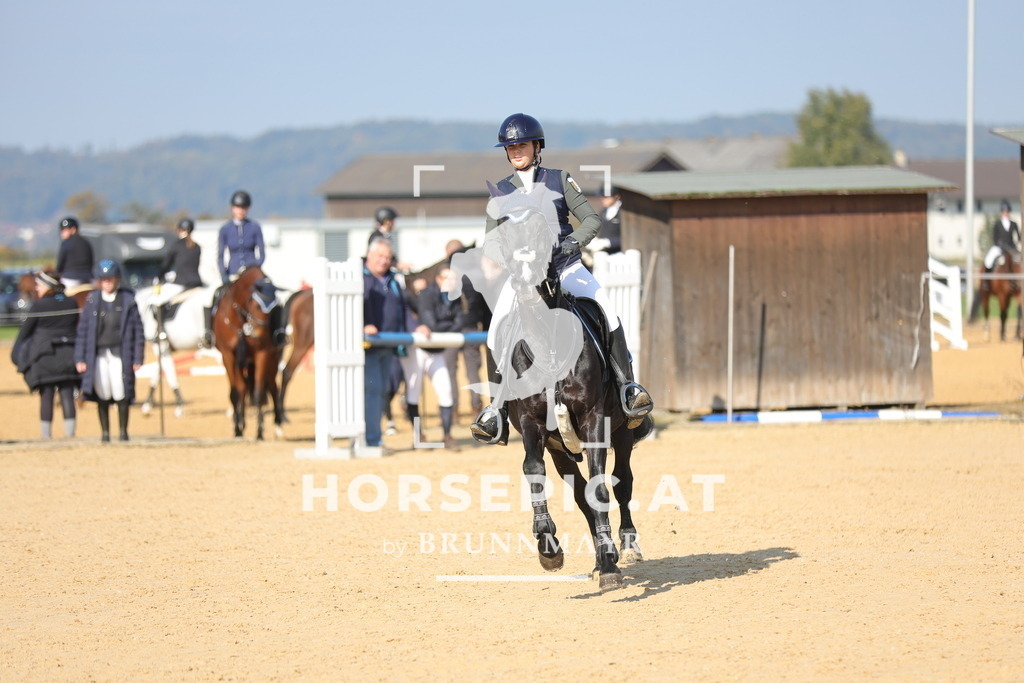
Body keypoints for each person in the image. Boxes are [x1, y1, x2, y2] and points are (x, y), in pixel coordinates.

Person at [469, 113, 652, 445]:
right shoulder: (502, 192)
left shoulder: (559, 179)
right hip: (524, 276)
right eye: (510, 147)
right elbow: (492, 241)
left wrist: (572, 242)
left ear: (537, 146)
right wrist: (509, 257)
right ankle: (495, 409)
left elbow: (590, 220)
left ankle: (628, 388)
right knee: (496, 328)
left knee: (606, 309)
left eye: (521, 145)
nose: (516, 151)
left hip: (565, 267)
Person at [363, 238, 430, 449]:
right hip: (368, 347)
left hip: (391, 346)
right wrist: (364, 325)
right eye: (379, 257)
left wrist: (416, 326)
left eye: (387, 258)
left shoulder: (393, 281)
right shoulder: (362, 279)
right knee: (372, 390)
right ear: (369, 256)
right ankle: (371, 439)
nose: (383, 261)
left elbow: (402, 310)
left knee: (383, 390)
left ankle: (375, 437)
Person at [74, 260, 145, 442]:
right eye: (104, 279)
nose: (107, 282)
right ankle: (105, 433)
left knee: (121, 391)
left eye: (110, 279)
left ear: (117, 280)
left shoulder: (128, 300)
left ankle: (123, 431)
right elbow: (83, 331)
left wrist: (138, 356)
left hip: (120, 353)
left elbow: (138, 331)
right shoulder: (92, 301)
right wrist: (80, 357)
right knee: (102, 391)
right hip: (98, 354)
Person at [204, 190, 284, 347]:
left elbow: (261, 253)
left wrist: (254, 269)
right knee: (210, 297)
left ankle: (277, 333)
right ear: (233, 208)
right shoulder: (225, 229)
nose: (241, 210)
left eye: (243, 208)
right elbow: (220, 255)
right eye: (238, 207)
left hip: (252, 273)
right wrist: (224, 274)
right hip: (233, 273)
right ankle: (209, 334)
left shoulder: (254, 227)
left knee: (273, 296)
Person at [11, 269, 82, 438]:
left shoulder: (40, 305)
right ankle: (70, 435)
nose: (37, 289)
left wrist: (16, 355)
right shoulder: (71, 302)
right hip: (68, 356)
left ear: (47, 286)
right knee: (66, 394)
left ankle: (46, 436)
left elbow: (25, 332)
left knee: (47, 396)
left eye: (39, 285)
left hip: (45, 357)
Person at [416, 265, 467, 450]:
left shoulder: (455, 297)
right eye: (446, 278)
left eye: (453, 279)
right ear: (437, 279)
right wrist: (448, 325)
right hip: (419, 349)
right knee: (414, 393)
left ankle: (447, 435)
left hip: (437, 350)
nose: (450, 282)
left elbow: (460, 322)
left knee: (445, 392)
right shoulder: (427, 295)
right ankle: (418, 435)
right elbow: (431, 323)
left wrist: (443, 326)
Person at [441, 240, 489, 420]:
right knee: (473, 371)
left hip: (450, 330)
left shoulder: (446, 275)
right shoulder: (478, 276)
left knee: (450, 370)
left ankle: (452, 409)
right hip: (473, 329)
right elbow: (484, 308)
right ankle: (476, 406)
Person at [160, 217, 205, 289]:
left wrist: (160, 276)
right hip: (197, 283)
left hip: (182, 283)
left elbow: (166, 264)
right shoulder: (197, 247)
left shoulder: (177, 245)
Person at [367, 206, 412, 272]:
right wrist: (397, 265)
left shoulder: (386, 236)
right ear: (387, 222)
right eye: (392, 221)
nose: (394, 224)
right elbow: (378, 258)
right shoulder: (377, 237)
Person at [55, 216, 94, 289]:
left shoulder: (66, 243)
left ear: (73, 229)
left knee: (61, 297)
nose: (62, 233)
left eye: (65, 230)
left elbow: (60, 264)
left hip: (70, 279)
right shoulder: (86, 242)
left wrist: (57, 274)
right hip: (89, 278)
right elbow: (91, 262)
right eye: (62, 230)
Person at [983, 200, 1021, 272]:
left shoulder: (1014, 224)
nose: (1006, 213)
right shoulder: (997, 224)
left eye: (1007, 211)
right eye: (1004, 211)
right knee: (989, 260)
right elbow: (994, 237)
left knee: (1019, 260)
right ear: (1002, 212)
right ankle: (987, 278)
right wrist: (999, 244)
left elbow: (1018, 237)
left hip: (1011, 248)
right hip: (999, 247)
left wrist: (1015, 245)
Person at [589, 187, 623, 255]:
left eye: (606, 197)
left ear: (616, 196)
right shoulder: (602, 212)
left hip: (619, 253)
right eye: (602, 196)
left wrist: (608, 242)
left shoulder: (623, 213)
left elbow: (628, 237)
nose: (602, 199)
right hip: (604, 253)